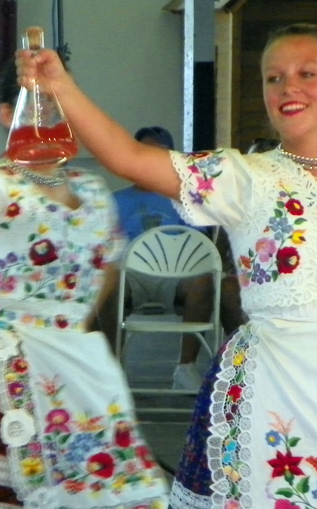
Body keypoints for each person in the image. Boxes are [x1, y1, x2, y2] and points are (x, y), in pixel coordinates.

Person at [15, 22, 317, 509]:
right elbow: (128, 157)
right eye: (273, 78)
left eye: (306, 73)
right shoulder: (243, 176)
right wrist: (60, 85)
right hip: (275, 385)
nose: (288, 87)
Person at [0, 58, 169, 507]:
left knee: (108, 481)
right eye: (39, 104)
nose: (54, 115)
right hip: (12, 360)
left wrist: (75, 325)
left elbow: (110, 264)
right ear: (5, 114)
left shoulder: (92, 187)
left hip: (81, 357)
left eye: (60, 102)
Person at [112, 126, 214, 392]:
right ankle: (111, 368)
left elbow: (198, 248)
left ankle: (185, 367)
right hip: (130, 277)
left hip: (176, 278)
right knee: (107, 284)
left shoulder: (185, 199)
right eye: (143, 152)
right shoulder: (115, 201)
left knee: (203, 280)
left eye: (157, 153)